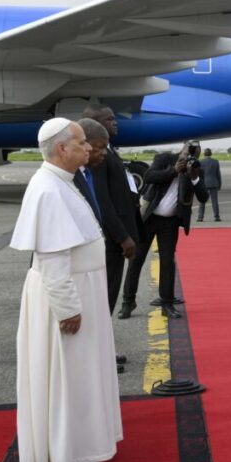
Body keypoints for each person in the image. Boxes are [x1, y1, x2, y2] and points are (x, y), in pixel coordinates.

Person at [10, 118, 123, 462]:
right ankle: (71, 449)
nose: (88, 147)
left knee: (83, 373)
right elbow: (52, 259)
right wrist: (68, 309)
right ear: (62, 148)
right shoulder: (48, 189)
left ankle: (87, 442)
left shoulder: (62, 182)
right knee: (70, 377)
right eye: (81, 142)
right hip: (68, 298)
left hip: (81, 289)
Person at [122, 140, 208, 319]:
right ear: (182, 149)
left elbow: (203, 197)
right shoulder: (165, 159)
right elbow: (149, 176)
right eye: (189, 150)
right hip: (148, 218)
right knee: (136, 260)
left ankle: (167, 304)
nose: (191, 154)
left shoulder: (196, 169)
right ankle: (128, 302)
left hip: (170, 223)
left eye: (196, 151)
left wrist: (194, 178)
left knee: (168, 263)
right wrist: (174, 171)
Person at [75, 118, 130, 374]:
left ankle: (101, 352)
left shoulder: (86, 171)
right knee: (98, 305)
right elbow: (105, 204)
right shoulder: (67, 178)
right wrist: (122, 236)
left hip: (97, 252)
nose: (115, 122)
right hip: (86, 261)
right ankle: (97, 356)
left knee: (101, 303)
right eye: (97, 147)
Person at [82, 105, 143, 321]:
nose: (115, 122)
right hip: (112, 239)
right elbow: (102, 200)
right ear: (96, 124)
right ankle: (102, 338)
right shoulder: (98, 156)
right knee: (106, 292)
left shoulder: (109, 151)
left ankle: (104, 336)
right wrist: (122, 237)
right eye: (109, 119)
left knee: (110, 291)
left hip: (117, 236)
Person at [196, 148, 223, 222]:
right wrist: (219, 184)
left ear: (204, 154)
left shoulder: (201, 162)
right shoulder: (215, 161)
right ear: (211, 154)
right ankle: (216, 217)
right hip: (214, 183)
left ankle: (200, 217)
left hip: (204, 184)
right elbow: (218, 174)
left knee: (202, 201)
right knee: (215, 201)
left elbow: (198, 174)